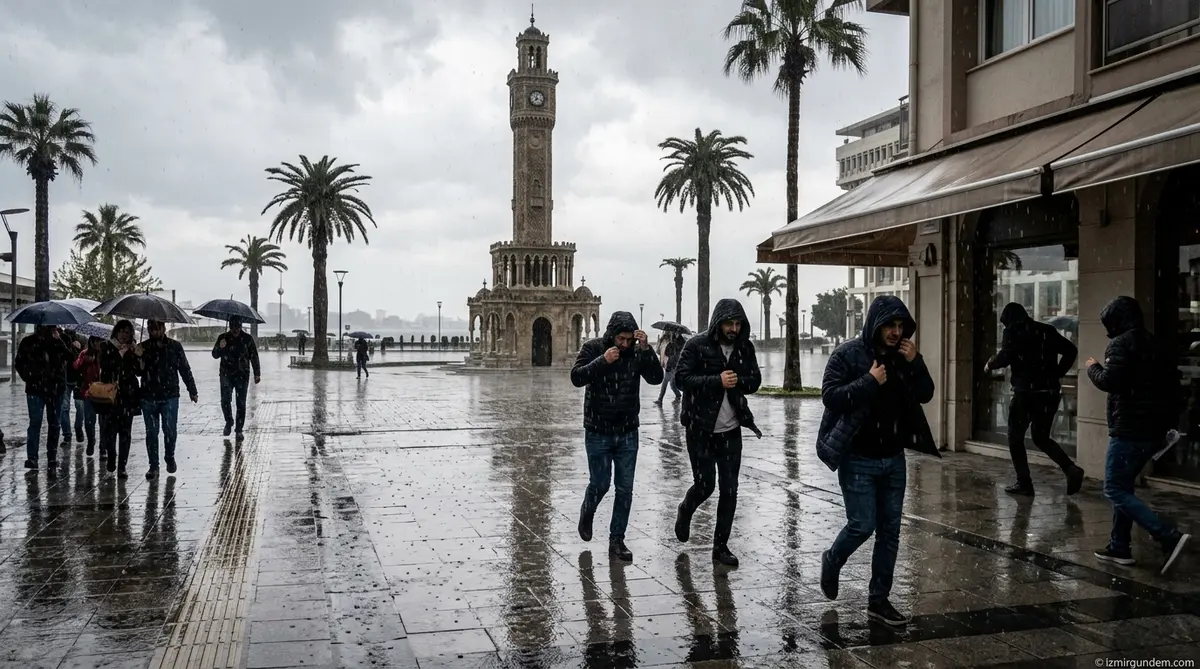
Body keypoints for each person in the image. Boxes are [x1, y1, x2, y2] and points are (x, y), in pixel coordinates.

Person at [816, 295, 939, 626]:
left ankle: (879, 600)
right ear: (876, 324)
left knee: (890, 531)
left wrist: (917, 363)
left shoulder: (904, 357)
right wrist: (869, 382)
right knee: (862, 524)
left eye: (901, 326)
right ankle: (833, 558)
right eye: (890, 325)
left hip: (893, 458)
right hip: (858, 458)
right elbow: (830, 396)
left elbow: (926, 393)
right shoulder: (848, 355)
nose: (896, 332)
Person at [1086, 296, 1191, 574]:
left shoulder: (1121, 344)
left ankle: (1167, 536)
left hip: (1129, 429)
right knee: (1124, 486)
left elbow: (1110, 381)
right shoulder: (1154, 343)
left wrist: (1092, 367)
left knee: (1114, 488)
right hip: (1151, 431)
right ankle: (1119, 546)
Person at [672, 299, 762, 567]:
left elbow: (754, 381)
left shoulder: (744, 347)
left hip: (731, 430)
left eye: (738, 324)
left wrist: (738, 380)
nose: (733, 329)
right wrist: (716, 380)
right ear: (718, 323)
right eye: (729, 324)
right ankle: (685, 509)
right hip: (700, 428)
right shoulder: (697, 345)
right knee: (705, 485)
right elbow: (681, 379)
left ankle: (720, 546)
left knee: (730, 490)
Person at [570, 311, 663, 562]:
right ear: (611, 336)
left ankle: (617, 540)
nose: (624, 344)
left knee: (625, 489)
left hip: (627, 432)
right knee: (600, 483)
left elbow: (656, 378)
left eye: (628, 340)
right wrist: (602, 360)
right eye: (620, 339)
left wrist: (646, 350)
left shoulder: (637, 352)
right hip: (598, 430)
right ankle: (587, 511)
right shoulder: (593, 348)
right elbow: (576, 377)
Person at [983, 303, 1085, 496]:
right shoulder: (1046, 330)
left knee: (1015, 437)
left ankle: (1024, 482)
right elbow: (1071, 350)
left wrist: (990, 364)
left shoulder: (1013, 333)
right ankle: (1070, 469)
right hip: (1049, 393)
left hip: (1026, 395)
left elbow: (1005, 357)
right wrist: (1056, 373)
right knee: (1041, 437)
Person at [137, 320, 198, 480]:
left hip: (170, 395)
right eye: (151, 329)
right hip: (148, 396)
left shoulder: (174, 346)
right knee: (151, 432)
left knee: (170, 430)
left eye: (157, 329)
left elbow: (184, 368)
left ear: (164, 329)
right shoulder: (143, 347)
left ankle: (169, 456)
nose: (154, 332)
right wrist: (138, 357)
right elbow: (137, 372)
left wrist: (192, 389)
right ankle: (154, 466)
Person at [14, 325, 75, 470]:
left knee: (54, 424)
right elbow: (19, 363)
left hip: (56, 389)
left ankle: (52, 458)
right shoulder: (29, 342)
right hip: (36, 389)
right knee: (35, 422)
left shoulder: (61, 340)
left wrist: (59, 342)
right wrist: (28, 376)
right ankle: (32, 458)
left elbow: (71, 359)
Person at [96, 320, 142, 477]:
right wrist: (119, 355)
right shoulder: (106, 346)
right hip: (111, 396)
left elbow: (139, 372)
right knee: (110, 431)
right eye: (121, 331)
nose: (124, 335)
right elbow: (105, 366)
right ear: (116, 332)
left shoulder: (133, 349)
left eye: (127, 332)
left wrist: (138, 356)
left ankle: (122, 466)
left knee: (125, 433)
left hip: (128, 396)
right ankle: (111, 457)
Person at [212, 317, 260, 441]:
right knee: (225, 401)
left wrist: (257, 373)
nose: (235, 330)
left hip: (242, 374)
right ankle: (229, 421)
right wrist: (220, 347)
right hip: (226, 374)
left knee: (241, 403)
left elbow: (254, 356)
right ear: (229, 326)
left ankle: (239, 430)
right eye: (233, 327)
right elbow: (215, 355)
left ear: (241, 326)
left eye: (237, 327)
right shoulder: (223, 338)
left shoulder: (247, 339)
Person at [73, 336, 104, 456]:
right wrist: (84, 361)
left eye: (100, 341)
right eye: (95, 341)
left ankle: (103, 446)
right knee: (89, 421)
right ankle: (91, 441)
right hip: (88, 391)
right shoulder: (84, 354)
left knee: (103, 421)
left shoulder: (105, 354)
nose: (97, 344)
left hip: (103, 392)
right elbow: (76, 367)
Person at [653, 331, 684, 407]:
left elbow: (679, 354)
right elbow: (665, 353)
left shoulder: (681, 343)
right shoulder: (671, 343)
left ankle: (678, 395)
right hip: (670, 366)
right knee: (665, 383)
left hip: (675, 366)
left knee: (672, 384)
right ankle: (660, 399)